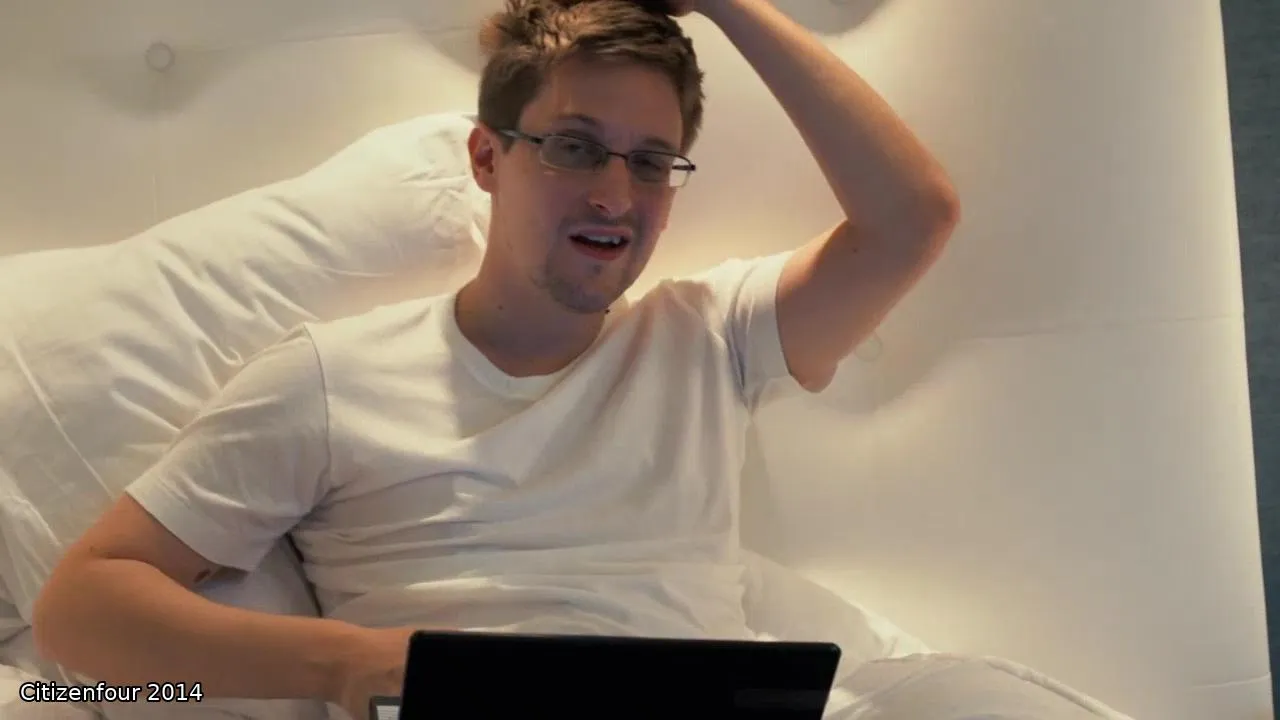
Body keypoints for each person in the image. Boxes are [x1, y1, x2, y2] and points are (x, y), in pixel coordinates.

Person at [32, 0, 959, 718]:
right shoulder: (332, 380)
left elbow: (912, 218)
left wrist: (725, 6)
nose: (614, 194)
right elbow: (80, 608)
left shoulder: (712, 335)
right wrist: (350, 664)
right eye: (574, 148)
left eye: (650, 162)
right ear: (486, 157)